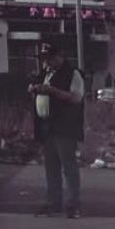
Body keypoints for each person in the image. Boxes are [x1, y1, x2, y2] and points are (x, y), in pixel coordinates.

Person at [29, 41, 85, 218]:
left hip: (65, 125)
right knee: (51, 167)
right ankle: (54, 203)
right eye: (46, 59)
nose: (48, 62)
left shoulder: (72, 73)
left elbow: (76, 98)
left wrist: (52, 91)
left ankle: (73, 205)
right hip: (47, 125)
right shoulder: (45, 73)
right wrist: (34, 88)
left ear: (60, 56)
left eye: (51, 58)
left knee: (69, 166)